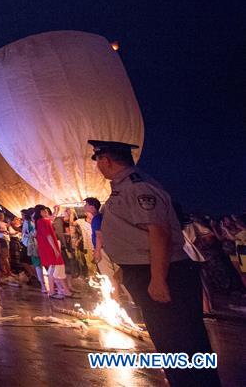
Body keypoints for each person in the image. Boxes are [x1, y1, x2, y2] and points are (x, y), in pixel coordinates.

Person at [91, 139, 220, 387]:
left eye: (97, 160)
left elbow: (158, 232)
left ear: (106, 160)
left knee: (181, 342)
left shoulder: (137, 188)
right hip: (146, 271)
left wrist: (158, 279)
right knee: (169, 342)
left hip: (162, 272)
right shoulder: (124, 187)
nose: (97, 165)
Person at [34, 205, 71, 298]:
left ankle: (60, 290)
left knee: (53, 268)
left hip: (47, 247)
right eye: (45, 211)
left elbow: (51, 218)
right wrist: (55, 249)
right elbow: (48, 235)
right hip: (49, 247)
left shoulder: (41, 221)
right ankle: (53, 291)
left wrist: (56, 210)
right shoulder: (43, 221)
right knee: (54, 267)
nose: (47, 213)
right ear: (41, 212)